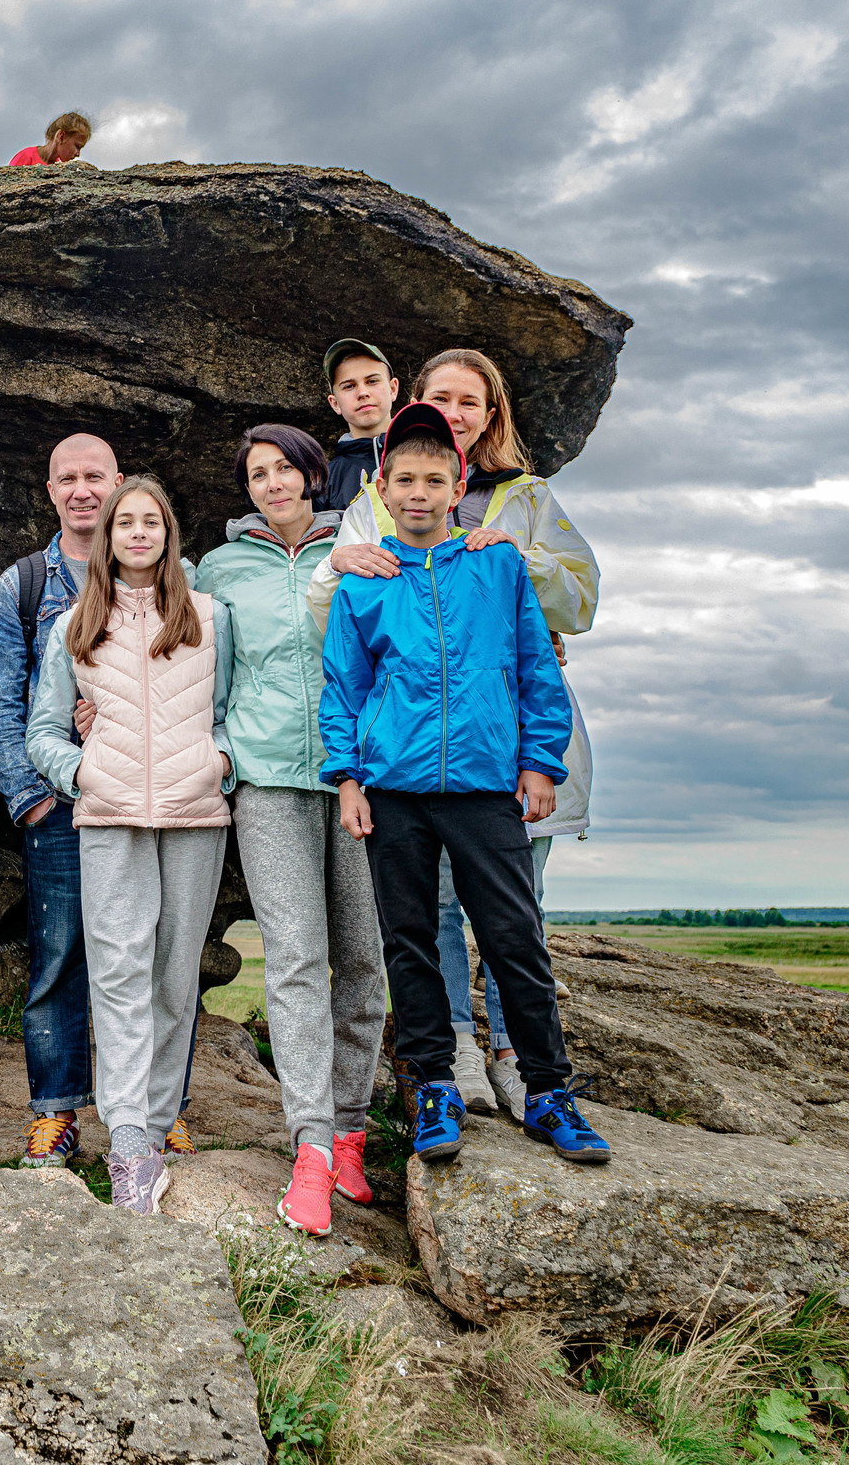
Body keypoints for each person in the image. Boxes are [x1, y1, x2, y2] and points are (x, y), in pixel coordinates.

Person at [308, 347, 599, 1120]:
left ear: (458, 487)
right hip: (396, 787)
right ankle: (434, 1082)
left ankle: (548, 1089)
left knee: (513, 936)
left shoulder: (498, 560)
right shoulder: (366, 579)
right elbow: (344, 687)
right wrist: (347, 777)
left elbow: (536, 666)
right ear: (382, 487)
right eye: (403, 479)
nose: (418, 491)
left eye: (434, 479)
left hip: (483, 782)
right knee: (409, 941)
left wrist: (540, 763)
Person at [26, 476, 236, 1214]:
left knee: (174, 976)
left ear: (169, 534)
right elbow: (41, 730)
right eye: (126, 523)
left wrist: (223, 761)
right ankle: (129, 1146)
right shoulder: (76, 623)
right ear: (108, 536)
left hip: (194, 816)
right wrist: (80, 771)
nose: (139, 533)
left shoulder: (210, 616)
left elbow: (235, 708)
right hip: (110, 816)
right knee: (117, 971)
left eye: (152, 521)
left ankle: (152, 1117)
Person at [193, 424, 382, 1236]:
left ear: (313, 473)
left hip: (363, 778)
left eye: (285, 469)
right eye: (256, 474)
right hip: (267, 778)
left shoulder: (363, 540)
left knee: (365, 956)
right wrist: (222, 748)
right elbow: (194, 662)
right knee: (297, 957)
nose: (272, 483)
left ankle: (350, 1131)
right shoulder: (219, 567)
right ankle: (307, 1144)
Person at [0, 435, 122, 1169]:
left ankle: (158, 1112)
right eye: (67, 477)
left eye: (94, 476)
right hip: (58, 802)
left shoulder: (155, 570)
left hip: (141, 798)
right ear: (49, 489)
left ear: (118, 481)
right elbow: (1, 701)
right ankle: (56, 1113)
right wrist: (30, 799)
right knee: (59, 956)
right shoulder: (23, 586)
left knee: (153, 958)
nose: (82, 490)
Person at [316, 339, 398, 513]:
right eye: (349, 386)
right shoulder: (325, 481)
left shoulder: (429, 454)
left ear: (393, 389)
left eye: (372, 381)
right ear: (335, 403)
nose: (362, 393)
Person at [10, 111, 93, 168]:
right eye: (77, 146)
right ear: (61, 136)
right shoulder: (27, 157)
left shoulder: (58, 170)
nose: (78, 154)